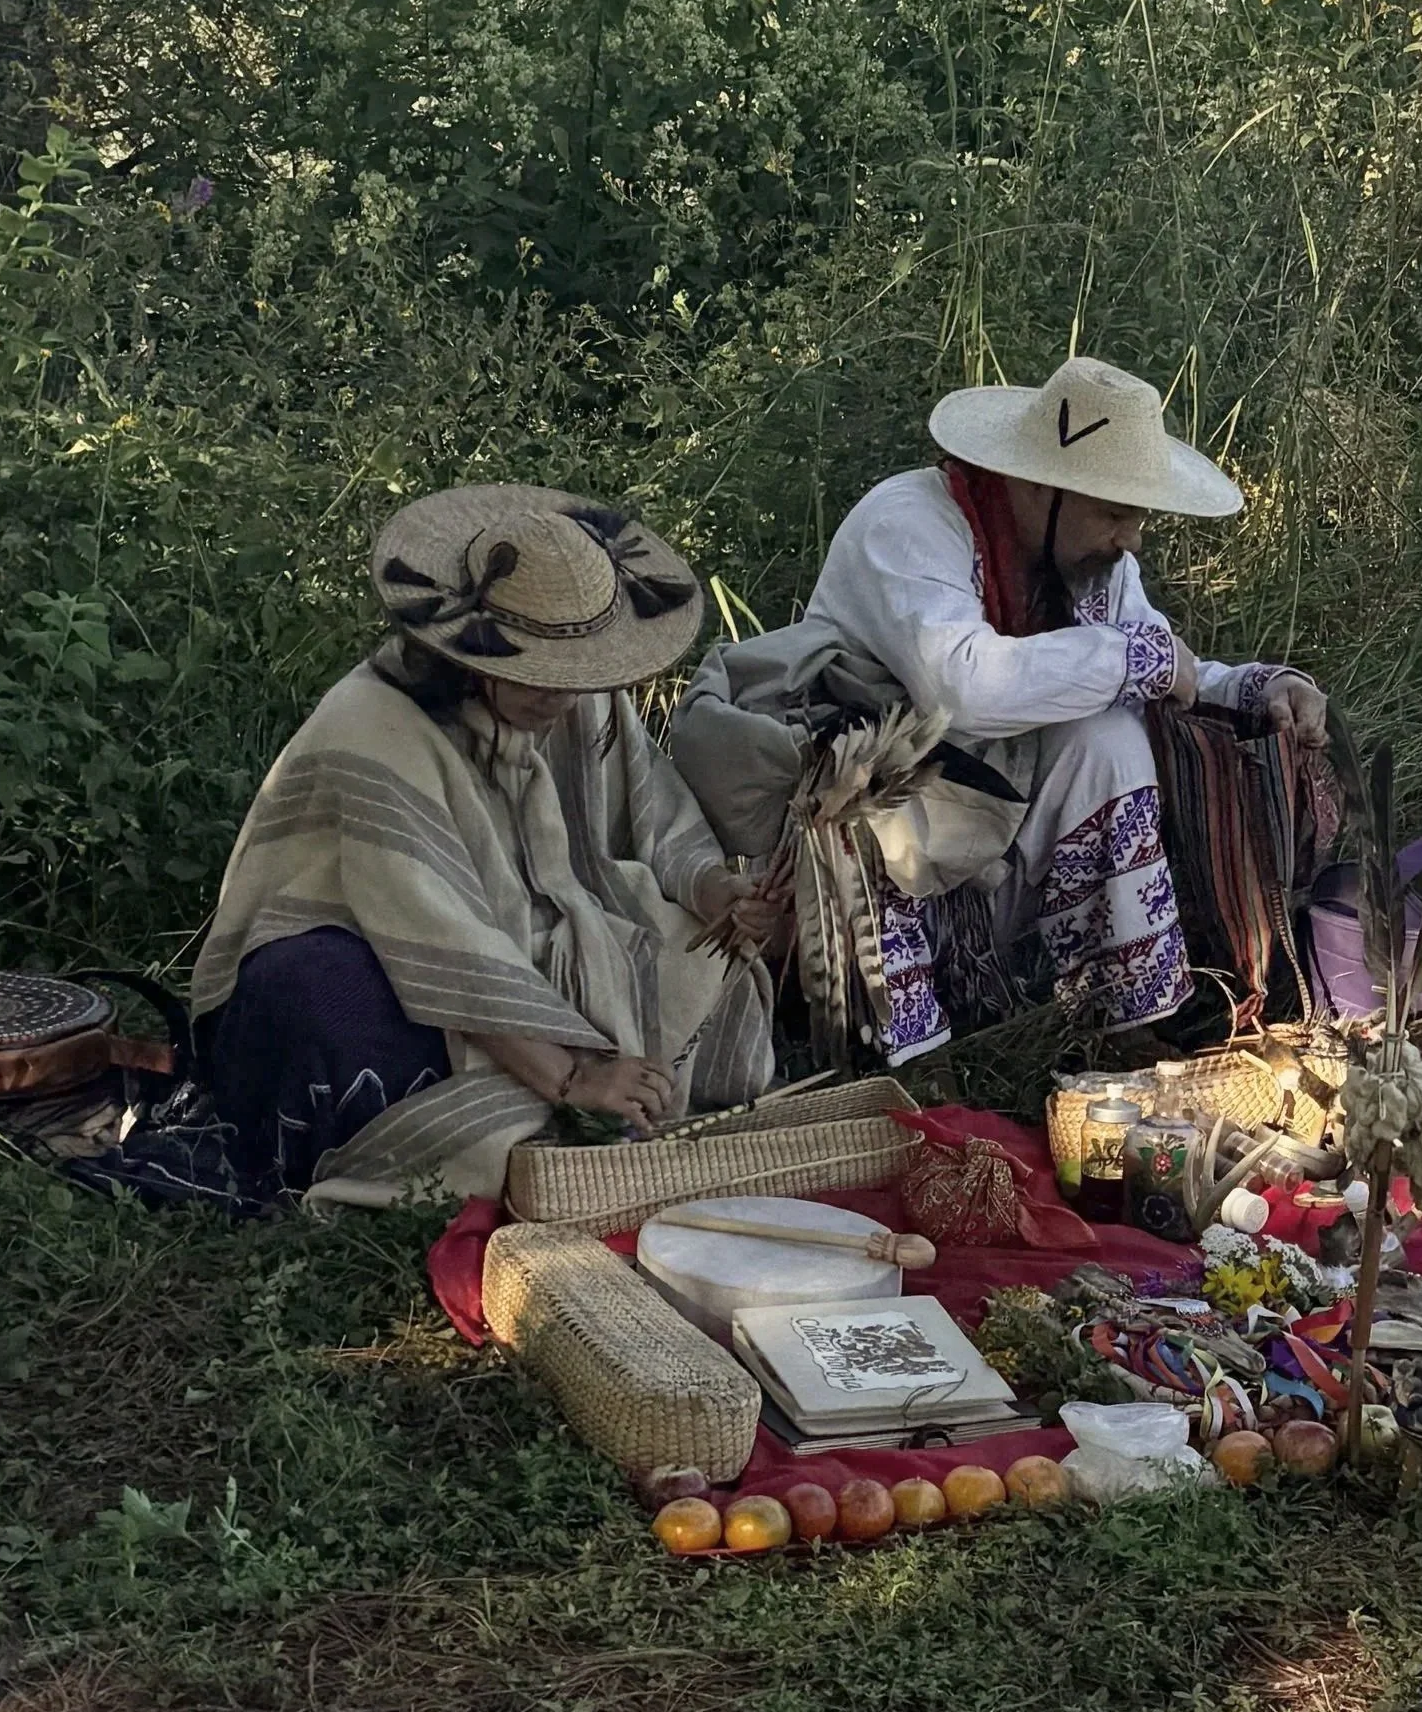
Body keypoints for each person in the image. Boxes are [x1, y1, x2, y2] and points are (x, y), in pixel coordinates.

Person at [191, 486, 779, 1206]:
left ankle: (552, 1083)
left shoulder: (576, 685)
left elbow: (649, 805)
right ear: (468, 653)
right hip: (371, 955)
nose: (563, 700)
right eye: (538, 677)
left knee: (695, 946)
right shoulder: (370, 727)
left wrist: (713, 887)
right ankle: (516, 1102)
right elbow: (436, 934)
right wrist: (572, 1076)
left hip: (523, 940)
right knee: (321, 1001)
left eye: (576, 676)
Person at [797, 356, 1328, 1060]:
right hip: (860, 855)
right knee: (1089, 723)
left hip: (981, 842)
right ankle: (912, 1065)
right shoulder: (905, 525)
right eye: (1114, 511)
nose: (1131, 536)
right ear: (1043, 486)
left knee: (1108, 735)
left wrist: (1258, 688)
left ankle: (1116, 1023)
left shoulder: (1085, 557)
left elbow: (1162, 661)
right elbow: (965, 687)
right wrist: (1143, 660)